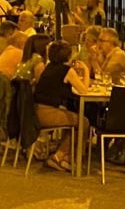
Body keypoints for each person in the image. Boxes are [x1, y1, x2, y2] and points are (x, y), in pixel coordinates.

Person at [33, 40, 91, 173]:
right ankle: (60, 157)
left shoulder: (49, 67)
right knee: (84, 122)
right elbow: (83, 91)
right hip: (47, 112)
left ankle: (66, 157)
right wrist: (86, 71)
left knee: (72, 119)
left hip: (37, 109)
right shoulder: (66, 70)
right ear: (69, 56)